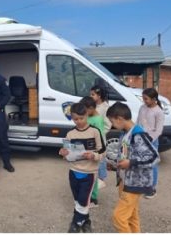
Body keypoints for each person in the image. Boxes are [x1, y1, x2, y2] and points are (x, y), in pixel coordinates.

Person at [107, 102, 158, 233]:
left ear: (119, 118)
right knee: (131, 216)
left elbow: (153, 156)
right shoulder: (125, 134)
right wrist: (115, 166)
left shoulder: (138, 134)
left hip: (134, 183)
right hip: (125, 181)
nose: (112, 125)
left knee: (118, 217)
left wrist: (131, 163)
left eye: (112, 121)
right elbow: (125, 155)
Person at [59, 102, 105, 233]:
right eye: (75, 119)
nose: (79, 121)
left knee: (83, 200)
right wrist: (62, 153)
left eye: (81, 118)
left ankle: (76, 222)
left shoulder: (95, 132)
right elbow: (66, 154)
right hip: (73, 171)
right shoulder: (70, 134)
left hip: (89, 173)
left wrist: (94, 155)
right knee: (78, 199)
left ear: (87, 115)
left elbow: (103, 151)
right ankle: (86, 221)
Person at [88, 86, 112, 205]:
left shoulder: (105, 107)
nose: (91, 96)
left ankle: (101, 179)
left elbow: (107, 124)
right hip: (92, 139)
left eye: (93, 94)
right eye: (90, 94)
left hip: (100, 138)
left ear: (99, 96)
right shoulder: (92, 107)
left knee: (101, 159)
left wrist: (101, 133)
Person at [139, 88, 163, 199]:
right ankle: (144, 185)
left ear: (154, 99)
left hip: (152, 141)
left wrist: (150, 138)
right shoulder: (142, 108)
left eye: (146, 99)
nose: (144, 101)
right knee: (141, 163)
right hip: (140, 140)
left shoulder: (158, 112)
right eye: (143, 98)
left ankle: (152, 189)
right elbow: (138, 123)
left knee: (152, 165)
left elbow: (159, 130)